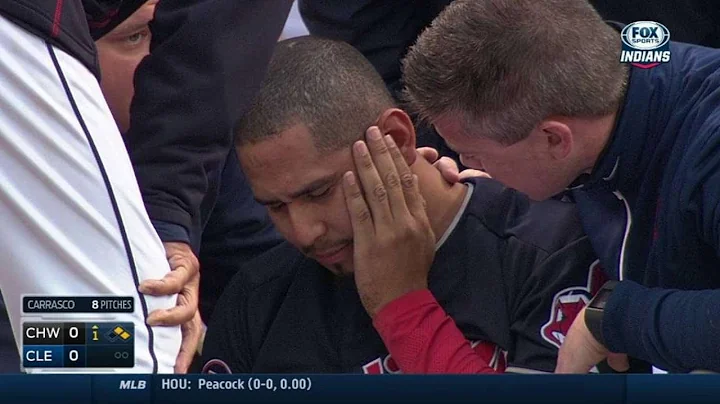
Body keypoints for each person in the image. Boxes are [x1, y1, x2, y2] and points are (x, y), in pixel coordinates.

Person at [201, 36, 604, 374]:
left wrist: (400, 305)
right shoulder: (258, 299)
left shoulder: (554, 253)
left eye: (318, 192)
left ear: (395, 139)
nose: (305, 232)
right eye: (275, 207)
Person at [402, 0, 720, 373]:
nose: (468, 167)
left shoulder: (708, 150)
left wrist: (612, 320)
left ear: (554, 139)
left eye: (473, 154)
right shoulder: (613, 86)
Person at [0, 0, 292, 372]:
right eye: (134, 37)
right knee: (137, 329)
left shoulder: (215, 158)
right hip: (20, 29)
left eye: (160, 36)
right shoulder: (38, 105)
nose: (155, 59)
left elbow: (261, 287)